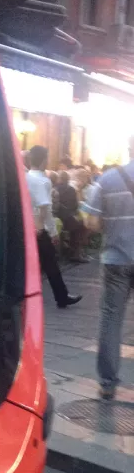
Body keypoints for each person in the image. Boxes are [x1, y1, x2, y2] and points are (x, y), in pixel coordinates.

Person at [83, 135, 134, 400]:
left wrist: (112, 228)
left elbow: (91, 223)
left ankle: (107, 383)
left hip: (116, 259)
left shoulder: (108, 180)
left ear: (129, 147)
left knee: (111, 320)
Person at [26, 146, 81, 309]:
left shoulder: (25, 178)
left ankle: (31, 297)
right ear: (44, 160)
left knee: (31, 264)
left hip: (27, 226)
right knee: (51, 263)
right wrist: (53, 231)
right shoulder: (43, 181)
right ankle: (61, 296)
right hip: (40, 228)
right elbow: (45, 208)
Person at [55, 170, 88, 263]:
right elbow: (75, 206)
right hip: (66, 217)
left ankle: (70, 248)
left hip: (57, 216)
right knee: (80, 226)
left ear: (59, 179)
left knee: (76, 225)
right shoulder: (71, 189)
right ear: (68, 179)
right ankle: (75, 253)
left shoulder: (54, 188)